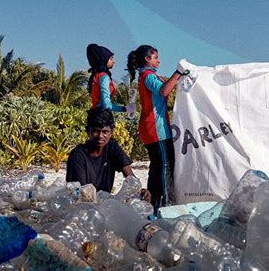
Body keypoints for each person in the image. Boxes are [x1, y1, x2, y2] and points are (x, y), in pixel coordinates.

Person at [126, 45, 189, 212]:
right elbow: (163, 90)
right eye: (155, 57)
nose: (158, 60)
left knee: (156, 167)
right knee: (165, 166)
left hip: (151, 129)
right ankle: (164, 205)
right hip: (156, 129)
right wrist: (178, 72)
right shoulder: (147, 76)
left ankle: (152, 204)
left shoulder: (145, 76)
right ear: (147, 59)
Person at [66, 107, 151, 202]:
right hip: (83, 207)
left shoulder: (112, 148)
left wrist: (141, 192)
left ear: (111, 133)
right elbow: (78, 195)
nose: (100, 136)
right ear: (88, 131)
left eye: (105, 132)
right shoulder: (78, 155)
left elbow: (131, 179)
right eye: (96, 131)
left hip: (104, 204)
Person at [86, 43, 135, 115]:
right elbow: (107, 105)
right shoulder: (104, 77)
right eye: (111, 58)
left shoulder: (95, 76)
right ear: (104, 59)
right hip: (102, 118)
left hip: (93, 116)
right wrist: (125, 109)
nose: (113, 61)